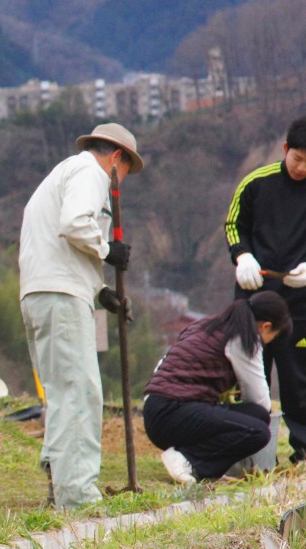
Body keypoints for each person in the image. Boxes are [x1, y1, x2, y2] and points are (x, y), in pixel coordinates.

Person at [18, 122, 144, 510]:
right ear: (116, 157)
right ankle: (78, 499)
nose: (120, 181)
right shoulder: (91, 171)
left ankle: (60, 483)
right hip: (59, 295)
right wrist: (108, 250)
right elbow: (75, 224)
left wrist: (99, 290)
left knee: (62, 393)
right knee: (79, 393)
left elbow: (62, 245)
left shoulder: (64, 173)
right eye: (123, 173)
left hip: (46, 292)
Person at [144, 291, 290, 485]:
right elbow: (261, 400)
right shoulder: (244, 338)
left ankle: (195, 462)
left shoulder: (205, 324)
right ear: (265, 327)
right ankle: (187, 459)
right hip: (173, 412)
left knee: (256, 416)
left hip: (157, 409)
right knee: (258, 431)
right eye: (273, 336)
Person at [225, 115, 306, 465]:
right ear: (285, 150)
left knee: (298, 375)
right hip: (254, 293)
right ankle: (245, 452)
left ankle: (302, 450)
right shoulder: (257, 182)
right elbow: (233, 224)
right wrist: (241, 257)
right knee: (247, 369)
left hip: (300, 300)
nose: (302, 168)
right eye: (298, 159)